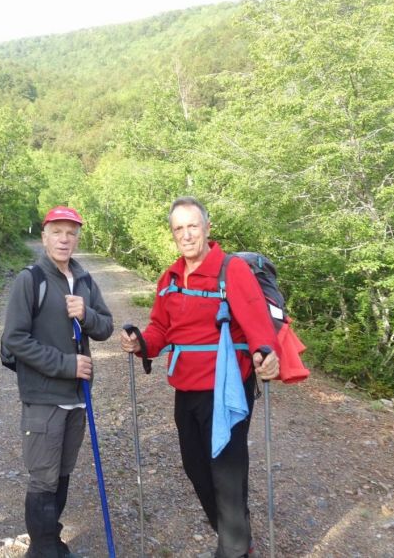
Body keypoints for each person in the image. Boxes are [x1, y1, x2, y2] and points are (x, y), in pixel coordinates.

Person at [120, 197, 280, 558]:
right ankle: (237, 538)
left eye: (192, 226)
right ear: (173, 233)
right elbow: (161, 328)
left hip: (227, 389)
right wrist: (142, 343)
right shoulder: (170, 278)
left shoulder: (231, 270)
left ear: (207, 227)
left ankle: (234, 548)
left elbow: (257, 324)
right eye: (179, 228)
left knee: (226, 475)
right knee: (196, 468)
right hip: (187, 388)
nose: (186, 234)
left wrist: (264, 355)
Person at [1, 206, 114, 558]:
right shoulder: (30, 280)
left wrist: (86, 313)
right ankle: (44, 548)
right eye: (57, 232)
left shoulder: (84, 279)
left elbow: (106, 327)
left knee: (62, 473)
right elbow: (14, 339)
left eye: (71, 233)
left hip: (78, 396)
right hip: (44, 396)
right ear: (44, 236)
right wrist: (66, 365)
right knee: (43, 478)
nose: (64, 239)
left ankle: (50, 540)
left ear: (77, 238)